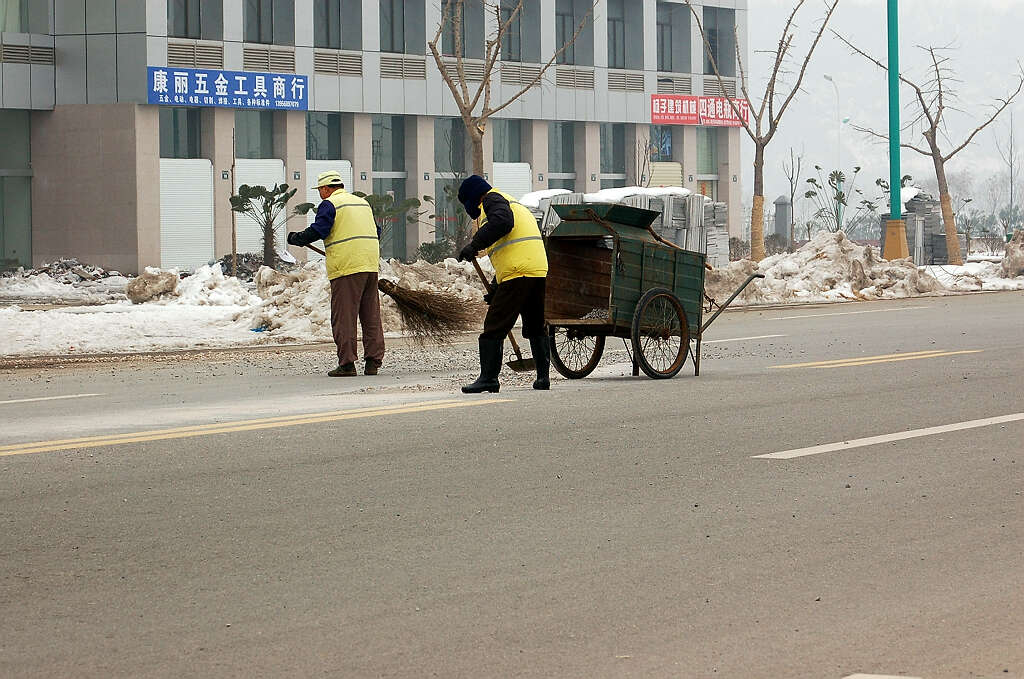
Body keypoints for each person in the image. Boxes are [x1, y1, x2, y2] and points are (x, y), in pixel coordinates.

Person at [455, 175, 549, 393]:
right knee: (535, 326)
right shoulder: (512, 202)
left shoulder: (491, 200)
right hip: (535, 269)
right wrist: (496, 287)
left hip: (518, 272)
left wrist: (474, 245)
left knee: (494, 327)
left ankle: (488, 378)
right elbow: (514, 245)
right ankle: (543, 378)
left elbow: (503, 223)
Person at [287, 170, 385, 377]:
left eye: (320, 190)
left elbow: (319, 230)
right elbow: (377, 231)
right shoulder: (362, 203)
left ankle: (347, 364)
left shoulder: (330, 204)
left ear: (326, 188)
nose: (320, 194)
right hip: (369, 263)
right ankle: (373, 362)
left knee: (344, 316)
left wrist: (296, 238)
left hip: (346, 267)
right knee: (371, 315)